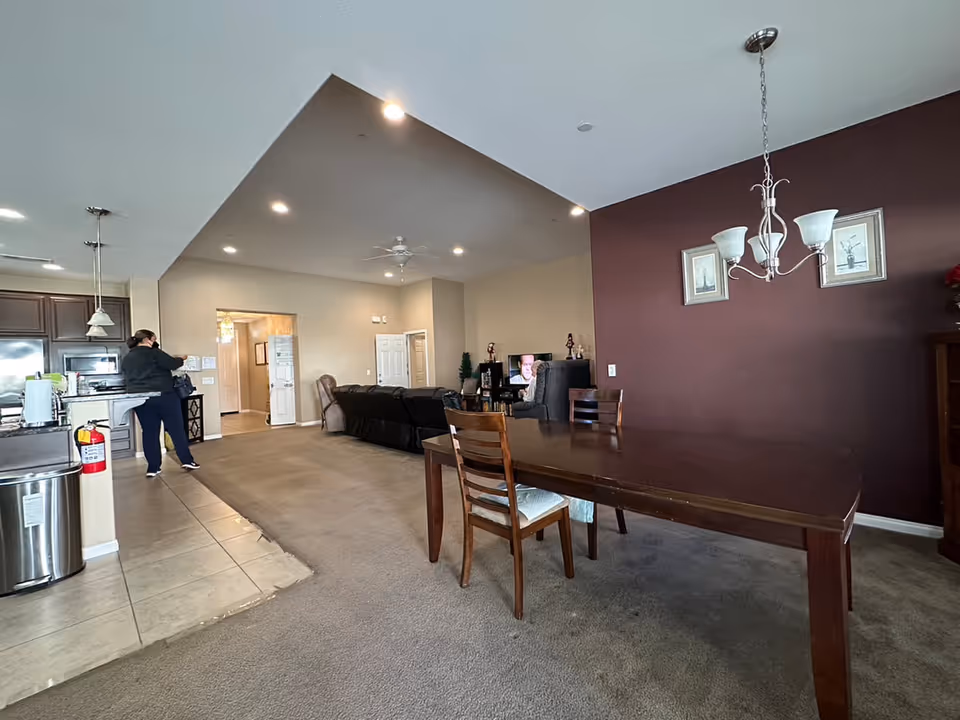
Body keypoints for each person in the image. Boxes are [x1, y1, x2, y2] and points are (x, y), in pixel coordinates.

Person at [121, 329, 199, 478]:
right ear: (149, 339)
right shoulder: (154, 353)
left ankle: (153, 467)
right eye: (154, 339)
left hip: (140, 399)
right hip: (164, 396)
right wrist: (181, 358)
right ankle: (187, 460)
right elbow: (172, 364)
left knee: (149, 432)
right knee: (176, 429)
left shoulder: (128, 357)